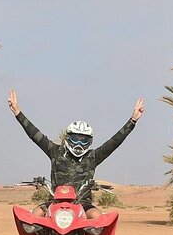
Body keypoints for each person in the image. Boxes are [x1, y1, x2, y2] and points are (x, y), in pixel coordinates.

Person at [8, 89, 144, 219]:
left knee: (97, 218)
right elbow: (35, 135)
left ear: (89, 141)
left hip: (83, 204)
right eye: (75, 138)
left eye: (84, 139)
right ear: (68, 138)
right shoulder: (55, 151)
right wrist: (17, 112)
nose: (79, 143)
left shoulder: (93, 157)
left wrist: (132, 121)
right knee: (34, 215)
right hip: (55, 202)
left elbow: (114, 142)